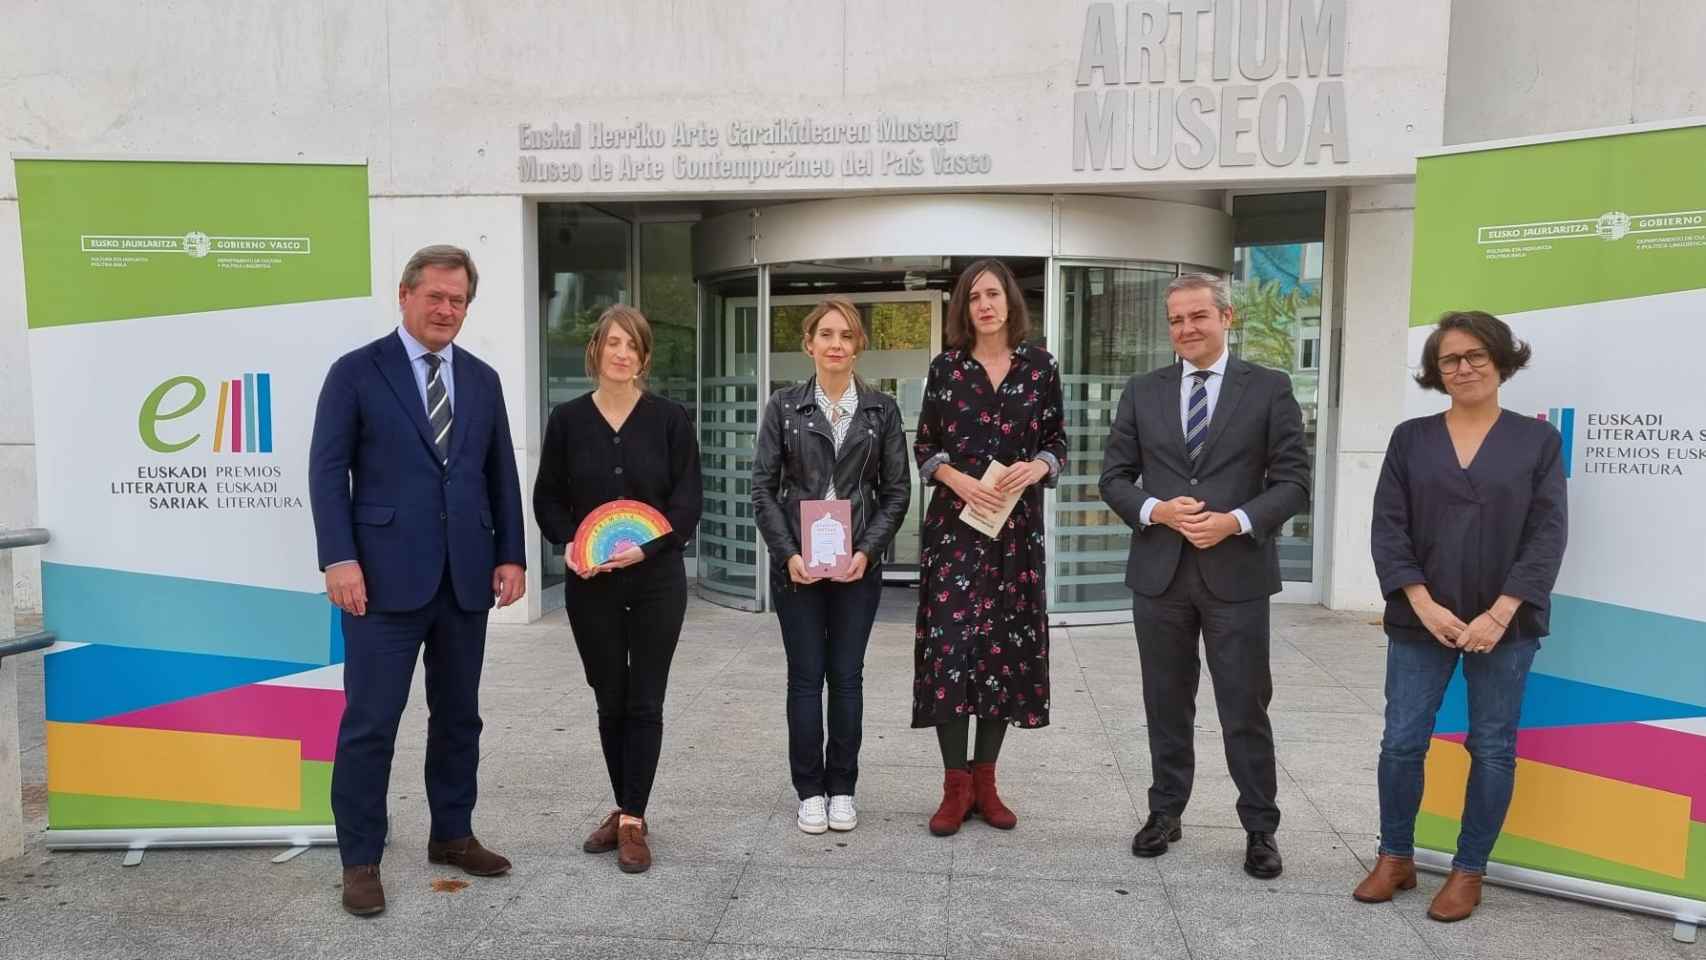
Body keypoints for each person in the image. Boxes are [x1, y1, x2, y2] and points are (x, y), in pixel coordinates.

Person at [308, 244, 527, 917]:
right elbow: (326, 470)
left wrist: (512, 555)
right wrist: (337, 559)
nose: (446, 309)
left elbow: (500, 474)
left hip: (464, 578)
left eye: (458, 299)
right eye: (434, 296)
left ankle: (453, 834)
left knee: (460, 716)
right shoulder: (356, 372)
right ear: (405, 295)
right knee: (371, 723)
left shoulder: (483, 380)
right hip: (378, 581)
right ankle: (360, 859)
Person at [1356, 311, 1566, 922]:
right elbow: (1389, 529)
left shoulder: (1537, 441)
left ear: (1501, 360)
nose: (1464, 367)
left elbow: (1547, 534)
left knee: (1493, 746)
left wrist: (1500, 614)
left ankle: (1468, 870)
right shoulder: (1411, 438)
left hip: (1506, 625)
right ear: (1435, 371)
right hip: (1420, 619)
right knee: (1401, 742)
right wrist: (1422, 605)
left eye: (1476, 355)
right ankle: (1394, 856)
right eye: (1450, 359)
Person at [1098, 272, 1309, 879]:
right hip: (1159, 575)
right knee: (1166, 703)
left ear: (1226, 318)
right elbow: (1114, 478)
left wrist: (1237, 521)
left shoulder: (1268, 388)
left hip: (1236, 575)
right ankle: (1165, 812)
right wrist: (1155, 510)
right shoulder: (1143, 390)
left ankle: (1260, 828)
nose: (1186, 329)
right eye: (1176, 321)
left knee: (1244, 706)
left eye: (1198, 317)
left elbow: (1293, 482)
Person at [533, 305, 702, 874]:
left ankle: (632, 817)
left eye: (632, 345)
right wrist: (574, 547)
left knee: (645, 699)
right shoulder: (567, 420)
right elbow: (548, 499)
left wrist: (648, 547)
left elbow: (686, 504)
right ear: (596, 353)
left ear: (644, 357)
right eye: (612, 343)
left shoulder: (670, 419)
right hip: (594, 586)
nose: (622, 353)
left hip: (655, 580)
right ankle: (625, 805)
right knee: (610, 698)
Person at [913, 259, 1066, 836]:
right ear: (964, 307)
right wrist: (956, 479)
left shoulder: (1040, 368)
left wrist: (1036, 467)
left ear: (1010, 303)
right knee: (951, 652)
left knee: (1003, 648)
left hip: (1015, 534)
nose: (984, 304)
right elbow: (925, 444)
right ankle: (954, 786)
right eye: (974, 296)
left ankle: (987, 781)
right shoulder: (946, 369)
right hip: (955, 530)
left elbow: (1058, 443)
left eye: (994, 294)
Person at [752, 297, 911, 835]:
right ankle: (809, 791)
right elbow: (763, 489)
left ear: (858, 344)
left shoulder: (881, 410)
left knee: (846, 678)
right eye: (826, 334)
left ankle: (842, 787)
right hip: (798, 567)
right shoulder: (783, 407)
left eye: (846, 334)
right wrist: (788, 553)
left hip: (855, 570)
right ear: (810, 344)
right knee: (804, 678)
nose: (836, 343)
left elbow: (896, 492)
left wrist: (865, 552)